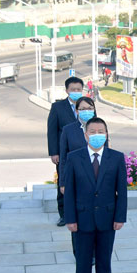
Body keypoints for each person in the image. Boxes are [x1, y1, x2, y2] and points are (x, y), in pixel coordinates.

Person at [63, 117, 127, 273]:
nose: (97, 135)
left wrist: (120, 217)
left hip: (107, 219)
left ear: (106, 134)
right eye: (93, 132)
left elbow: (122, 191)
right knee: (83, 263)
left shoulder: (116, 158)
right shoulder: (74, 158)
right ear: (85, 135)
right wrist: (70, 219)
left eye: (101, 131)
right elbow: (69, 191)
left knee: (104, 262)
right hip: (82, 219)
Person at [59, 96, 108, 257]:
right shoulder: (68, 130)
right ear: (77, 110)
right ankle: (79, 252)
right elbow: (63, 158)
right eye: (83, 109)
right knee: (78, 217)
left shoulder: (100, 128)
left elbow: (106, 155)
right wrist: (63, 182)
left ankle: (94, 252)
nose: (87, 111)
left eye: (90, 108)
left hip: (96, 180)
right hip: (76, 180)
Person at [47, 77, 82, 226]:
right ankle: (64, 215)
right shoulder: (58, 107)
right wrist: (54, 152)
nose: (76, 92)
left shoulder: (87, 105)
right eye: (73, 89)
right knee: (64, 183)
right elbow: (52, 131)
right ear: (67, 90)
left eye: (79, 89)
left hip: (83, 152)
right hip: (65, 153)